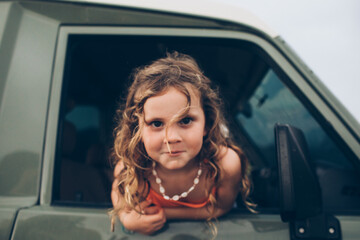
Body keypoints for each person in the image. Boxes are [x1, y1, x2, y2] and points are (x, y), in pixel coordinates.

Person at [110, 52, 254, 236]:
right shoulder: (132, 168)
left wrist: (166, 214)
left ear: (207, 124)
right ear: (138, 128)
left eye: (185, 121)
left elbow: (220, 208)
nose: (171, 137)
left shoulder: (225, 164)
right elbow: (117, 190)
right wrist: (126, 217)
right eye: (156, 123)